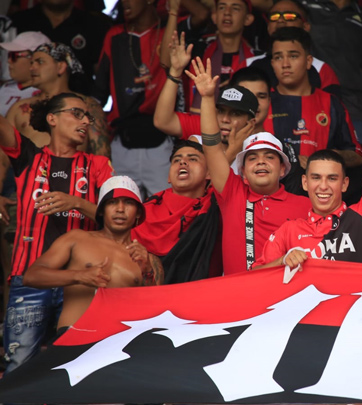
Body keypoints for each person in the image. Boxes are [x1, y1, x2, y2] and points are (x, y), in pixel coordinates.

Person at [0, 92, 113, 373]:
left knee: (78, 368)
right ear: (52, 118)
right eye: (76, 113)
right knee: (18, 370)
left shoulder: (97, 165)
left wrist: (77, 202)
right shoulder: (29, 156)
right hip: (30, 280)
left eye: (87, 116)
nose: (85, 120)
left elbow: (114, 216)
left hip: (81, 283)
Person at [188, 57, 311, 274]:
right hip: (238, 299)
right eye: (252, 158)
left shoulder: (305, 205)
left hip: (286, 298)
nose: (261, 161)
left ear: (283, 169)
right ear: (242, 171)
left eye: (270, 157)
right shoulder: (232, 193)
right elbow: (212, 146)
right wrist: (207, 98)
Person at [22, 176, 163, 331]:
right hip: (73, 337)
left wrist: (148, 270)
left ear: (138, 213)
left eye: (128, 203)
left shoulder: (147, 258)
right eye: (112, 202)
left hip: (118, 343)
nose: (120, 209)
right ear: (101, 210)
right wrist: (79, 275)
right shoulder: (77, 238)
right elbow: (31, 276)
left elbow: (157, 310)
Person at [253, 148, 362, 269]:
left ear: (344, 184)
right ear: (305, 182)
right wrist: (283, 261)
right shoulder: (289, 230)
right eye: (316, 178)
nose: (323, 186)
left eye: (332, 178)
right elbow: (254, 277)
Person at [264, 27, 362, 195]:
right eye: (278, 57)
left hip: (320, 198)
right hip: (270, 199)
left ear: (309, 61)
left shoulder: (331, 103)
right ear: (272, 63)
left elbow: (357, 156)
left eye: (293, 56)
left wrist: (323, 158)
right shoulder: (263, 102)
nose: (285, 64)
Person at [93, 0, 171, 197]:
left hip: (162, 141)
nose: (124, 2)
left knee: (164, 211)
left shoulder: (168, 31)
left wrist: (176, 10)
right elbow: (98, 93)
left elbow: (202, 16)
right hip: (123, 142)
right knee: (121, 208)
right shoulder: (115, 35)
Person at [154, 31, 263, 152]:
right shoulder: (207, 128)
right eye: (220, 111)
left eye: (236, 113)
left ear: (251, 123)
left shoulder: (263, 149)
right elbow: (163, 121)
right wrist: (175, 72)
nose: (225, 119)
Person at [131, 141, 222, 282]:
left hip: (201, 296)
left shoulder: (216, 205)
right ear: (168, 177)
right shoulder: (143, 211)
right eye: (177, 160)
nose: (183, 163)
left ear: (209, 173)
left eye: (192, 159)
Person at [5, 43, 110, 157]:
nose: (32, 68)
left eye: (40, 62)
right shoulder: (18, 108)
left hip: (75, 173)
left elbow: (102, 154)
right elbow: (2, 158)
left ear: (61, 67)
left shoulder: (88, 106)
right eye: (31, 63)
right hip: (29, 174)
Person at [301, 0, 362, 142]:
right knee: (314, 160)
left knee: (358, 160)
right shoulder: (306, 7)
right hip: (314, 101)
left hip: (354, 106)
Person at [241, 0, 340, 96]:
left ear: (306, 27)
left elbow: (333, 109)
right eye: (274, 16)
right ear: (268, 27)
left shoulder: (321, 69)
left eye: (289, 16)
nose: (280, 20)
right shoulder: (248, 65)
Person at [9, 0, 112, 84]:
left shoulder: (94, 24)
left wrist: (95, 100)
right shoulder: (19, 22)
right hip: (25, 99)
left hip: (79, 100)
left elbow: (103, 72)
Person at [0, 32, 47, 116]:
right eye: (9, 55)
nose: (8, 61)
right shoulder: (5, 87)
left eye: (14, 56)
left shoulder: (46, 93)